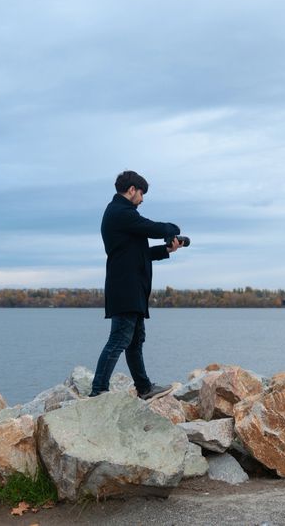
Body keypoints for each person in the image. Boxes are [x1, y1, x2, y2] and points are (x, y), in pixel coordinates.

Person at [90, 170, 183, 400]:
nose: (142, 200)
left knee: (134, 342)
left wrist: (166, 249)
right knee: (119, 340)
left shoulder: (122, 216)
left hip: (131, 290)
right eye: (141, 194)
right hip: (125, 289)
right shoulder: (120, 213)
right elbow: (152, 228)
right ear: (132, 190)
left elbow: (140, 253)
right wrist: (171, 229)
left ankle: (144, 388)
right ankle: (98, 391)